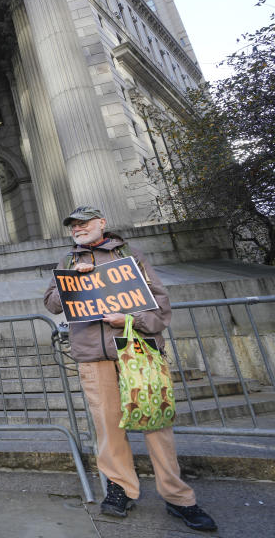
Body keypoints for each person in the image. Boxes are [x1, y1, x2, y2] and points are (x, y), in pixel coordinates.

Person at [44, 206, 217, 532]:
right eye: (73, 225)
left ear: (101, 223)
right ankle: (120, 488)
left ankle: (178, 497)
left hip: (136, 350)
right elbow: (52, 302)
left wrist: (131, 320)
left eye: (84, 223)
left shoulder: (130, 256)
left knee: (156, 423)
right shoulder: (68, 261)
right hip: (94, 356)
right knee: (107, 427)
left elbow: (160, 305)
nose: (77, 228)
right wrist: (70, 283)